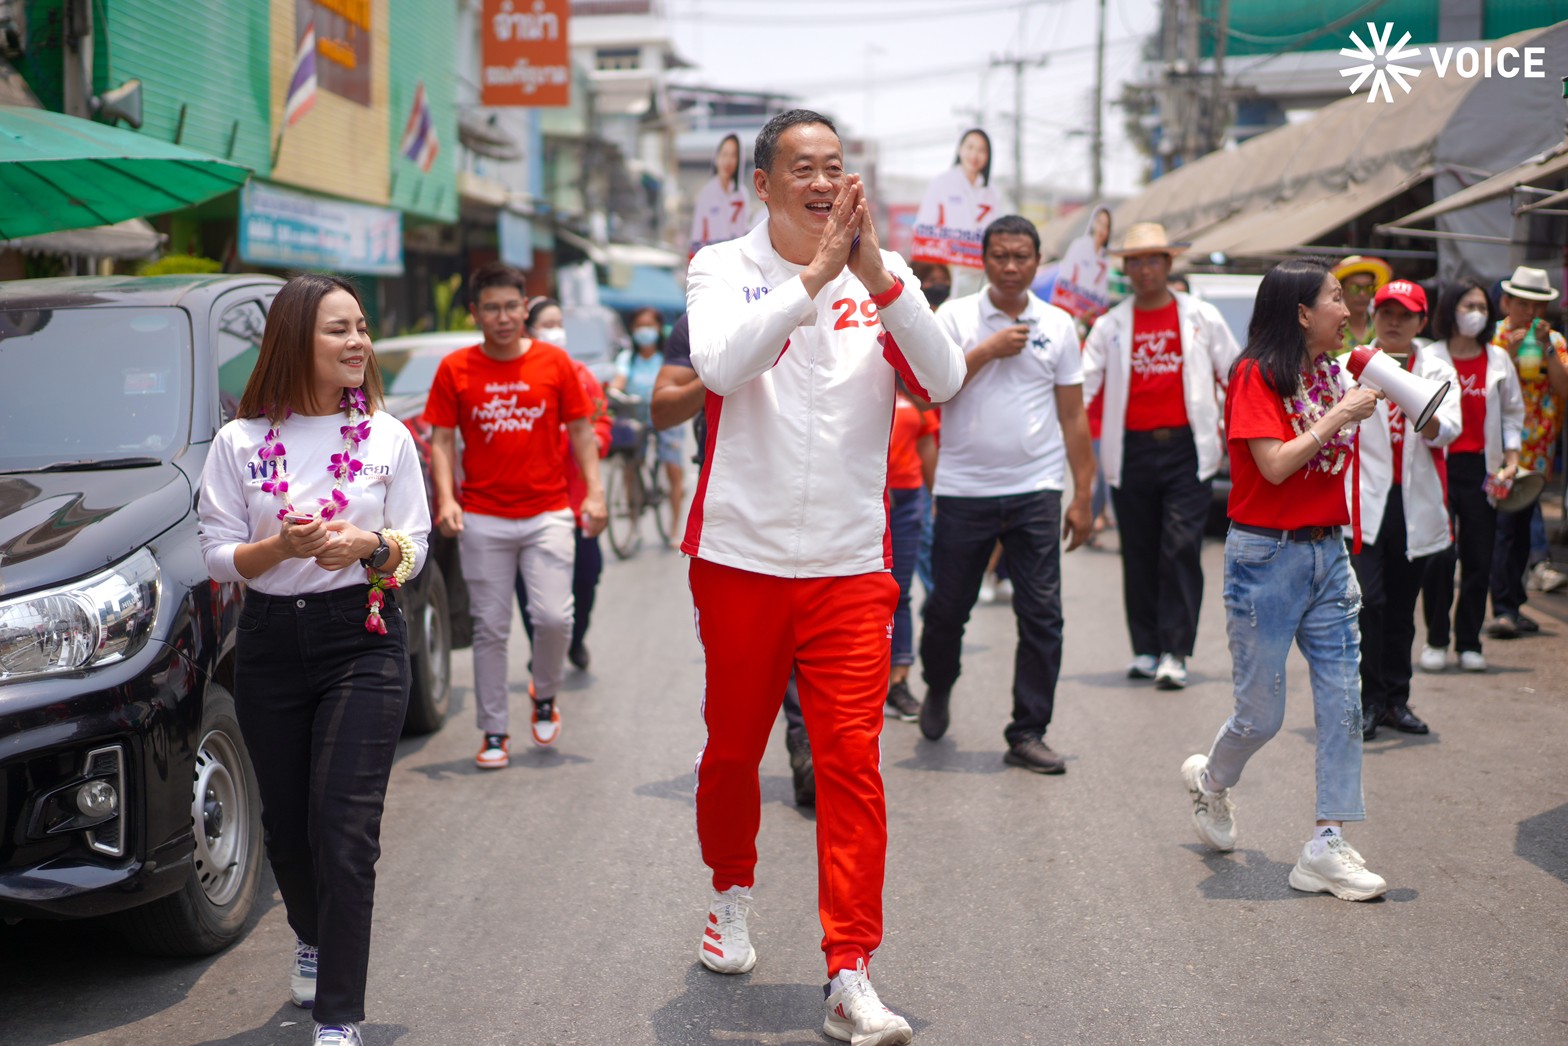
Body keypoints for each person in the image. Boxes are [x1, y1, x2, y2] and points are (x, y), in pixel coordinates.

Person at [684, 108, 964, 1045]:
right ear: (762, 184)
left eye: (833, 166)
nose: (819, 179)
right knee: (731, 752)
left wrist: (877, 276)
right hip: (740, 557)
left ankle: (850, 967)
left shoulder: (883, 282)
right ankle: (730, 894)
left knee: (853, 765)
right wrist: (811, 278)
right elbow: (722, 367)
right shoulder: (722, 268)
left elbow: (946, 376)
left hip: (850, 565)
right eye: (800, 166)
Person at [197, 274, 431, 1046]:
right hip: (269, 643)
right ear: (297, 338)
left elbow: (414, 550)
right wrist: (280, 546)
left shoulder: (388, 438)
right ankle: (310, 932)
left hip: (361, 638)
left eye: (362, 326)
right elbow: (219, 556)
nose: (358, 342)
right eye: (339, 329)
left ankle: (338, 1016)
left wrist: (367, 545)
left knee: (344, 827)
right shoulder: (239, 440)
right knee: (289, 829)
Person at [1179, 258, 1388, 903]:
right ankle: (1212, 781)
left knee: (1344, 704)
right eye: (1334, 299)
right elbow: (1272, 466)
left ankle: (1326, 845)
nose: (1347, 310)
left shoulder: (1336, 371)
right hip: (1265, 560)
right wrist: (1341, 416)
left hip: (1329, 557)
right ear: (1301, 313)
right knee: (1262, 715)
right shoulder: (1254, 375)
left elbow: (1431, 420)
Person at [917, 214, 1097, 774]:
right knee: (948, 609)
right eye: (1001, 257)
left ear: (1037, 261)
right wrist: (987, 350)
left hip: (1035, 490)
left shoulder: (1059, 325)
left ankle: (1028, 731)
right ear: (984, 261)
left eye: (1022, 257)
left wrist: (1082, 495)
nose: (1012, 267)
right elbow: (930, 391)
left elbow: (1072, 415)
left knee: (1042, 614)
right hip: (965, 489)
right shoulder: (956, 317)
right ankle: (939, 683)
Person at [422, 262, 608, 769]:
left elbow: (582, 433)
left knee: (554, 618)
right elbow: (441, 440)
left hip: (549, 511)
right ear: (474, 314)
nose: (502, 317)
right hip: (483, 517)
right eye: (491, 308)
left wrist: (595, 494)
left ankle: (544, 693)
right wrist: (448, 499)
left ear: (525, 309)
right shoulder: (455, 369)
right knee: (491, 628)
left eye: (511, 307)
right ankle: (494, 732)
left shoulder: (555, 364)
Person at [651, 315, 818, 808]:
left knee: (813, 627)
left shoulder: (833, 299)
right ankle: (744, 754)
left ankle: (808, 742)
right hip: (736, 499)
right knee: (755, 644)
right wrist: (726, 369)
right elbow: (662, 410)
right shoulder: (703, 320)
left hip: (817, 493)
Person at [1081, 222, 1241, 689]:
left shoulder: (1201, 317)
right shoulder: (1109, 326)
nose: (1144, 269)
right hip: (1130, 452)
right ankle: (1146, 649)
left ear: (1169, 264)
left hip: (1187, 451)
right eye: (1135, 261)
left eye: (1153, 259)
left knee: (1180, 546)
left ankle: (1176, 650)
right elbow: (1083, 385)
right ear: (1125, 268)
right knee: (1139, 551)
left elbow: (1235, 375)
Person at [1349, 280, 1459, 739]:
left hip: (1412, 503)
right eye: (1386, 312)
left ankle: (1396, 699)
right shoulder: (1351, 364)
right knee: (1367, 602)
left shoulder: (1435, 365)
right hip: (1365, 502)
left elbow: (1448, 429)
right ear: (1374, 315)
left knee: (1400, 608)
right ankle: (1367, 700)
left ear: (1421, 321)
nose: (1394, 321)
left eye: (1405, 314)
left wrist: (1413, 399)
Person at [1420, 280, 1524, 672]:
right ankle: (1435, 638)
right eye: (1468, 304)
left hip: (1484, 469)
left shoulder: (1498, 360)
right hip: (1438, 467)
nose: (1476, 312)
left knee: (1479, 557)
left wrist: (1511, 460)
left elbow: (1513, 414)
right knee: (1440, 557)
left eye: (1482, 306)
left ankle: (1468, 642)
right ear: (1450, 308)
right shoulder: (1429, 357)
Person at [515, 297, 612, 671]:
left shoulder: (581, 375)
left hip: (577, 501)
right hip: (531, 501)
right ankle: (543, 646)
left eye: (560, 323)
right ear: (530, 329)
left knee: (586, 577)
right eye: (547, 323)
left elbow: (601, 423)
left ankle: (575, 639)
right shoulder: (517, 377)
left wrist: (593, 441)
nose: (556, 330)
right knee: (529, 585)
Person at [1486, 266, 1568, 638]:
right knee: (1503, 528)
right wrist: (1513, 350)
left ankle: (1513, 604)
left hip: (1537, 455)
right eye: (1523, 304)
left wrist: (1546, 347)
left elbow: (1563, 388)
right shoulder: (1494, 338)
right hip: (1501, 451)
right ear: (1507, 303)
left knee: (1520, 530)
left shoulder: (1556, 341)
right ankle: (1502, 608)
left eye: (1538, 306)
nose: (1531, 313)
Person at [886, 384, 941, 720]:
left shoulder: (913, 387)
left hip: (907, 501)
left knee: (900, 594)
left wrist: (936, 497)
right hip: (860, 498)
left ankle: (898, 683)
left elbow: (926, 441)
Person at [612, 306, 685, 538]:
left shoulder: (668, 356)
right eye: (639, 326)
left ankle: (674, 528)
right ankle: (633, 522)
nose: (644, 331)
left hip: (666, 414)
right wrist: (613, 391)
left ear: (658, 328)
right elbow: (619, 380)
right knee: (630, 466)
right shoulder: (627, 358)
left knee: (673, 467)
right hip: (637, 416)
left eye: (649, 325)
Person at [912, 128, 1003, 295]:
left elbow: (996, 233)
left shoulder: (992, 192)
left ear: (988, 156)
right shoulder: (942, 183)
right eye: (970, 147)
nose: (974, 155)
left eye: (981, 150)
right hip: (948, 272)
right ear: (960, 149)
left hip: (981, 273)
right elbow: (924, 227)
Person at [690, 133, 750, 257]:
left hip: (736, 260)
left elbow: (744, 231)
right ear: (717, 158)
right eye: (724, 155)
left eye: (733, 156)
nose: (728, 161)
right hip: (713, 260)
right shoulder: (706, 194)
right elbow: (697, 235)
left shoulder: (742, 194)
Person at [1331, 255, 1393, 351]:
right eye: (1355, 288)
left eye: (1368, 287)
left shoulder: (1384, 327)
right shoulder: (1331, 329)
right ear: (1342, 290)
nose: (1362, 294)